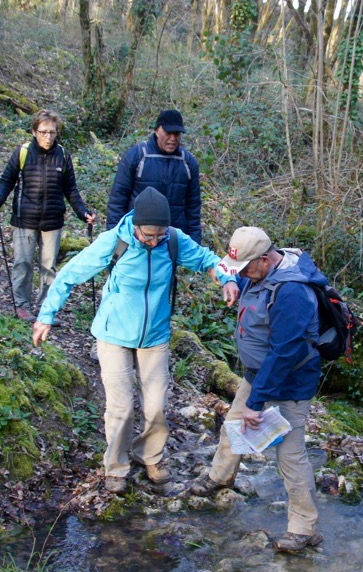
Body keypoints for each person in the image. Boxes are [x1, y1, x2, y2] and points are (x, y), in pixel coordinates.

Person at [32, 189, 226, 493]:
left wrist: (223, 275)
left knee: (156, 406)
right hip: (113, 335)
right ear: (135, 225)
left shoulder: (172, 240)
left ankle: (150, 455)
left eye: (159, 234)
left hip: (155, 335)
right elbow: (69, 274)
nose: (154, 240)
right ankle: (116, 467)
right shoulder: (115, 241)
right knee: (121, 407)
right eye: (149, 234)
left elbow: (205, 259)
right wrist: (47, 315)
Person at [186, 227, 327, 553]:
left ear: (265, 258)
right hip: (257, 374)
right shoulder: (256, 270)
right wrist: (233, 280)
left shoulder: (292, 292)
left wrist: (257, 400)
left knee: (290, 456)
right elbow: (225, 269)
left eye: (247, 269)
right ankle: (219, 477)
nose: (244, 274)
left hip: (291, 382)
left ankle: (303, 528)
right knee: (233, 426)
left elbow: (283, 353)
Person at [0, 110, 98, 321]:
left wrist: (83, 212)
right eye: (44, 132)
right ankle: (21, 305)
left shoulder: (63, 156)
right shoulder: (22, 152)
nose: (48, 137)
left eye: (52, 132)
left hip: (53, 221)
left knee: (49, 267)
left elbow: (71, 189)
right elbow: (6, 181)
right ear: (34, 131)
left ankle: (46, 308)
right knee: (23, 263)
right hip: (24, 219)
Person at [106, 109, 202, 244]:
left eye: (177, 134)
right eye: (168, 133)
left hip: (173, 240)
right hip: (138, 238)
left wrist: (194, 243)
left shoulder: (188, 162)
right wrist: (115, 237)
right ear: (157, 131)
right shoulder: (137, 156)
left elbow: (193, 207)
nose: (173, 139)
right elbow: (118, 199)